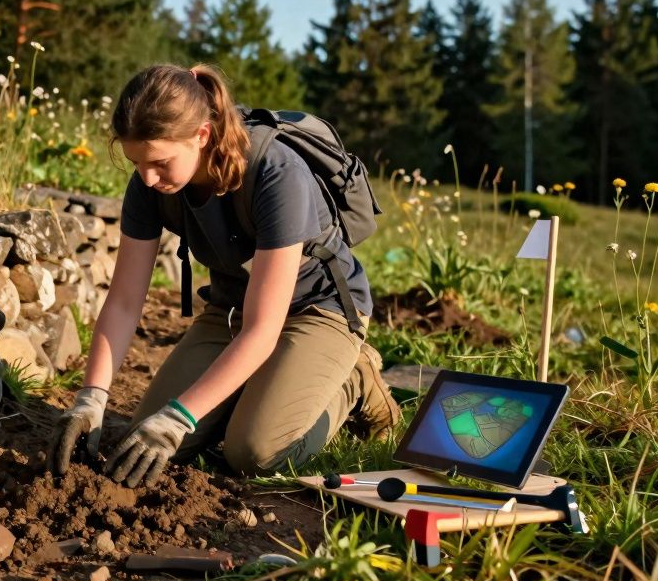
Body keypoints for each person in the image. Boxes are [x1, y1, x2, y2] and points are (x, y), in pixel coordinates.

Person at [47, 63, 400, 488]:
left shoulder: (276, 173)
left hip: (316, 311)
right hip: (232, 310)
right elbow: (123, 302)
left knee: (253, 452)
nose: (146, 177)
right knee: (145, 435)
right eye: (135, 162)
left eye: (159, 162)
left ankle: (354, 379)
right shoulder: (149, 184)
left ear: (201, 135)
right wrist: (91, 398)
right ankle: (257, 393)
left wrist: (181, 416)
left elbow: (264, 329)